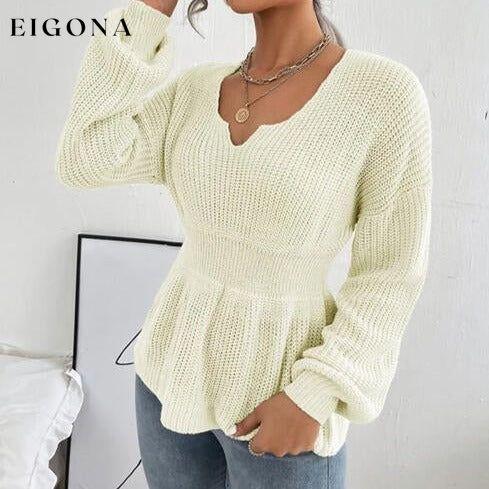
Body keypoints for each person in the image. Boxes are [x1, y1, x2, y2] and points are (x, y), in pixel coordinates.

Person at [55, 0, 432, 487]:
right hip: (165, 384)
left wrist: (316, 394)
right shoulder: (196, 91)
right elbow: (84, 157)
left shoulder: (382, 95)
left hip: (285, 404)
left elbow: (390, 273)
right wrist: (149, 9)